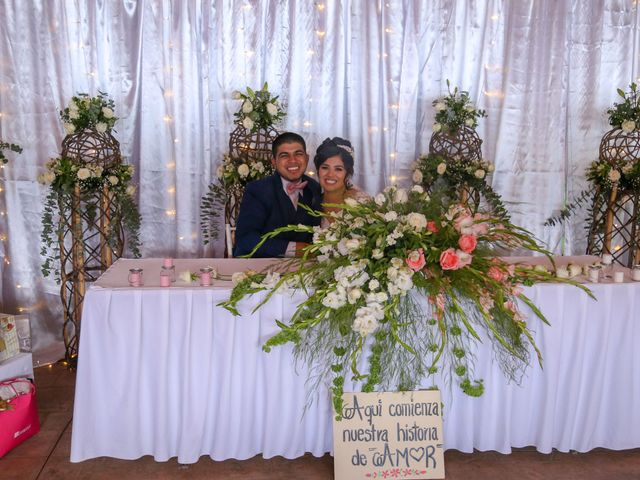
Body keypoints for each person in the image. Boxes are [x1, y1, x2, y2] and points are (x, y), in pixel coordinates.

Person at [234, 132, 322, 257]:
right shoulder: (257, 190)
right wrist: (293, 248)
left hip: (301, 269)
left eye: (298, 154)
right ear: (274, 162)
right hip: (256, 266)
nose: (293, 160)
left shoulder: (314, 188)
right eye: (284, 155)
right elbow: (246, 238)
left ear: (307, 158)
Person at [313, 137, 369, 227]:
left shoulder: (361, 203)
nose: (330, 174)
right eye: (325, 168)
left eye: (338, 169)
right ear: (318, 170)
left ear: (348, 173)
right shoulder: (312, 202)